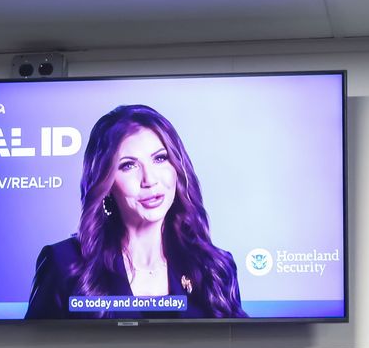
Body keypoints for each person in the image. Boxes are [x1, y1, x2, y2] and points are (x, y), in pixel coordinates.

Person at [25, 104, 245, 319]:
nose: (149, 180)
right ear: (106, 183)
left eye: (160, 158)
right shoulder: (64, 263)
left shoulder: (215, 268)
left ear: (177, 168)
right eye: (128, 165)